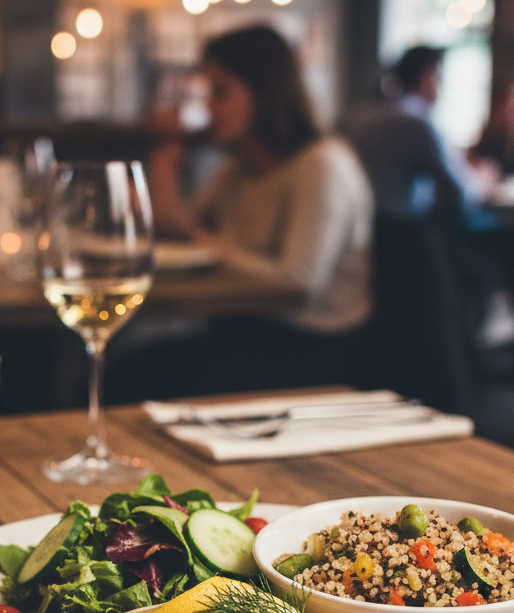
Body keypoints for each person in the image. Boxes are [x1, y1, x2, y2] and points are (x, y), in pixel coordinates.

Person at [116, 25, 374, 397]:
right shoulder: (242, 169)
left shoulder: (322, 165)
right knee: (127, 368)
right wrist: (166, 155)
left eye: (220, 92)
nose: (208, 107)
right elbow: (171, 226)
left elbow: (299, 282)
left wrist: (202, 241)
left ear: (265, 93)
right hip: (248, 330)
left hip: (315, 348)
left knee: (134, 377)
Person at [344, 45, 480, 224]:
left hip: (361, 226)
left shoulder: (360, 114)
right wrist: (481, 180)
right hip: (402, 232)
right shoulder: (417, 123)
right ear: (426, 78)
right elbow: (461, 193)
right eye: (439, 77)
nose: (441, 86)